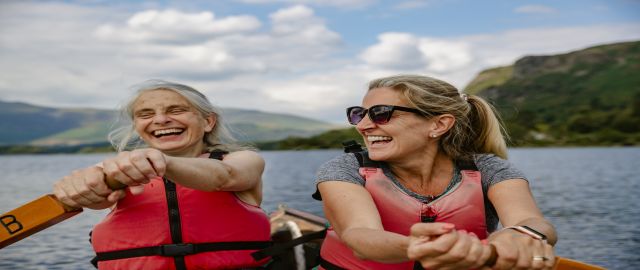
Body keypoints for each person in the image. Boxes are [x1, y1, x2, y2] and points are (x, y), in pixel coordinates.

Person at [314, 74, 557, 270]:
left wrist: (519, 235)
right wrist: (419, 246)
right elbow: (360, 236)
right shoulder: (343, 170)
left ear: (439, 125)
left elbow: (533, 221)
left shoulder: (488, 168)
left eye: (381, 113)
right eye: (359, 114)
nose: (363, 126)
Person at [52, 80, 271, 269]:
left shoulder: (243, 160)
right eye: (146, 114)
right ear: (138, 127)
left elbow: (226, 176)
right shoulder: (116, 169)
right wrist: (75, 187)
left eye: (175, 110)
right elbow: (95, 196)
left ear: (207, 122)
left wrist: (162, 160)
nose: (160, 120)